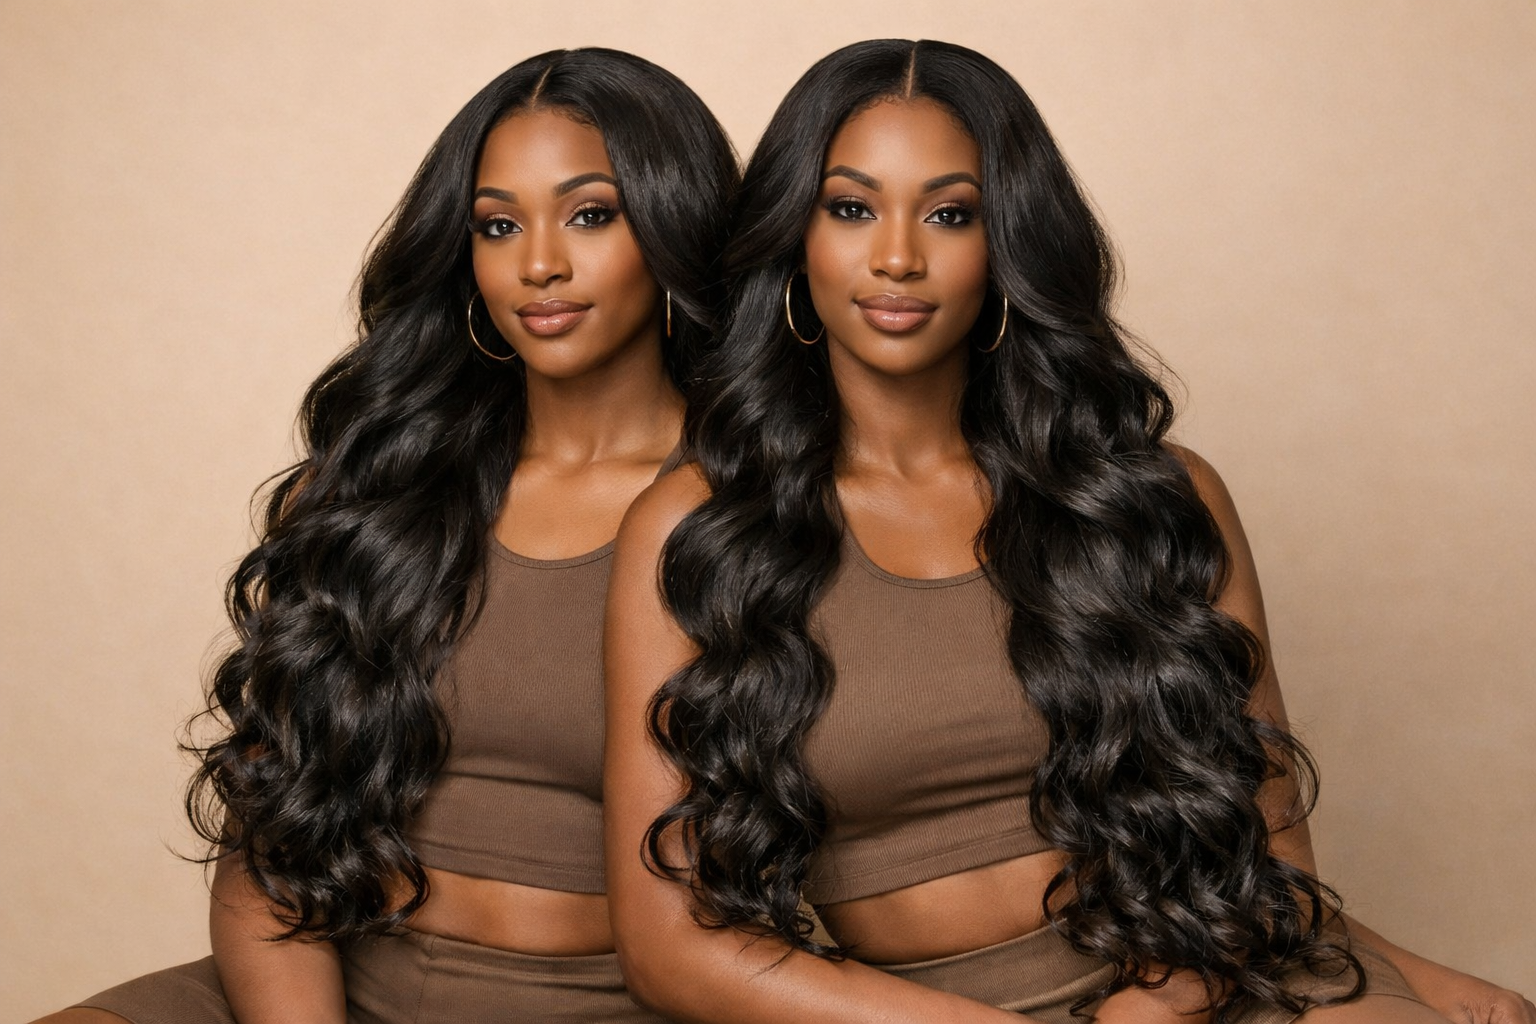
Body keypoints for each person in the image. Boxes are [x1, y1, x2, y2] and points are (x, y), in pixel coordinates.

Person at [602, 38, 1534, 1024]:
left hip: (1220, 984)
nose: (897, 256)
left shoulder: (1158, 496)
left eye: (952, 213)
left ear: (1009, 244)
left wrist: (1163, 1002)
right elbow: (673, 953)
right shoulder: (697, 530)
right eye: (851, 207)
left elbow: (1268, 858)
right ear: (795, 236)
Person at [35, 46, 736, 1024]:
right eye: (498, 225)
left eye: (590, 213)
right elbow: (270, 838)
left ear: (672, 226)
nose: (538, 263)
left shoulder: (744, 514)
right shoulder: (375, 489)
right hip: (322, 994)